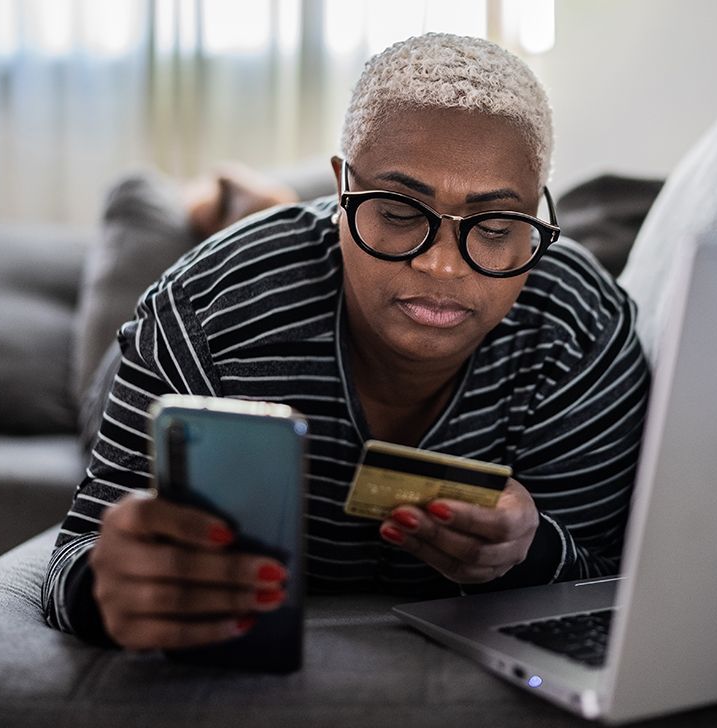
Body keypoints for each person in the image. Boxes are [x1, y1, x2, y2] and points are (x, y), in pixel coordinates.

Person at [42, 33, 650, 651]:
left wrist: (531, 548)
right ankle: (238, 206)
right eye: (397, 211)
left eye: (495, 226)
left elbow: (607, 573)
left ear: (539, 218)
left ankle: (266, 203)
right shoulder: (198, 313)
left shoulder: (582, 327)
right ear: (342, 190)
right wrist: (107, 584)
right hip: (166, 347)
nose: (442, 267)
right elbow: (78, 553)